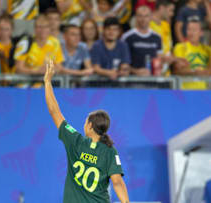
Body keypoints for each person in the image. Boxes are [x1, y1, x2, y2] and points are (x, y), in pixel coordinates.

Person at [44, 59, 129, 203]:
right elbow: (117, 183)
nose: (83, 125)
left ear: (89, 126)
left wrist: (47, 82)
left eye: (85, 122)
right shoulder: (110, 151)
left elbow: (55, 112)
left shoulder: (75, 140)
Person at [121, 6, 163, 76]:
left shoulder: (157, 37)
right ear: (136, 17)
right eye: (140, 16)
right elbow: (122, 61)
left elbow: (159, 59)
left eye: (146, 16)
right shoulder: (127, 37)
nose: (143, 19)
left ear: (150, 17)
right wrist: (136, 71)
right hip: (132, 80)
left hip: (152, 80)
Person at [173, 20, 211, 89]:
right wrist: (194, 71)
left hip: (205, 91)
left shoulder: (208, 50)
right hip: (185, 91)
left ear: (201, 33)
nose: (191, 33)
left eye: (194, 30)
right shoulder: (180, 47)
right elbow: (177, 71)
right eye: (189, 29)